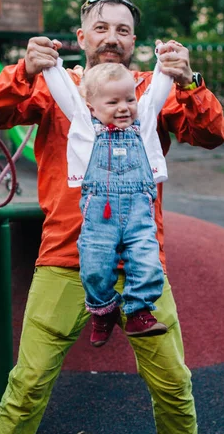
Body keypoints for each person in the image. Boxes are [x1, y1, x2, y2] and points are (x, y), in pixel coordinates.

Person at [0, 0, 224, 434]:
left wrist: (189, 81)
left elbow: (211, 135)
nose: (112, 38)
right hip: (66, 258)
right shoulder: (54, 86)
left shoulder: (146, 94)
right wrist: (24, 69)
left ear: (135, 42)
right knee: (31, 379)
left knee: (173, 380)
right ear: (82, 36)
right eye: (101, 28)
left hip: (140, 265)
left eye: (124, 30)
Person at [43, 60, 170, 346]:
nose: (124, 107)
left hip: (139, 213)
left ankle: (139, 313)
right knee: (94, 267)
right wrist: (52, 67)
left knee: (148, 264)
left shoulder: (143, 123)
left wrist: (163, 64)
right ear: (91, 107)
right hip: (101, 215)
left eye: (129, 99)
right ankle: (104, 309)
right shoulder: (87, 127)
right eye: (112, 102)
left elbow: (156, 94)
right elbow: (66, 93)